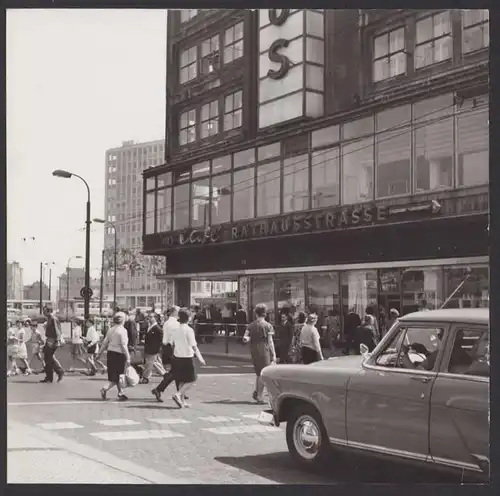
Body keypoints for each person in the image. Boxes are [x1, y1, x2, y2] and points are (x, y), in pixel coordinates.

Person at [170, 308, 206, 408]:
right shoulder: (189, 330)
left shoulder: (175, 329)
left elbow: (172, 343)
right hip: (187, 357)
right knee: (192, 379)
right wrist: (200, 358)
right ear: (189, 318)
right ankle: (178, 394)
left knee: (182, 380)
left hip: (177, 357)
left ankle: (182, 401)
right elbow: (194, 346)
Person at [243, 303, 277, 404]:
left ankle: (257, 393)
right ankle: (259, 396)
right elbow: (270, 341)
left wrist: (247, 339)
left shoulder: (251, 325)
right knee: (263, 373)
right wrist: (274, 354)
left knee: (259, 373)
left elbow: (246, 337)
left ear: (256, 314)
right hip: (264, 350)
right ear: (265, 314)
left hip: (254, 349)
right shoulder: (268, 326)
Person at [97, 312, 131, 401]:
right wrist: (128, 357)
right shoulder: (123, 331)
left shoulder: (110, 329)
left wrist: (99, 353)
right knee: (118, 375)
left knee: (114, 375)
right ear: (123, 320)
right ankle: (105, 389)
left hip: (110, 353)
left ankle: (121, 393)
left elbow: (105, 343)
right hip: (119, 354)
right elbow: (124, 345)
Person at [151, 305, 182, 402]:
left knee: (176, 371)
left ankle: (180, 392)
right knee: (176, 372)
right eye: (178, 311)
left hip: (167, 348)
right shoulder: (175, 323)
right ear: (174, 312)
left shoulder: (167, 322)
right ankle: (159, 389)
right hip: (173, 348)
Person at [40, 306, 64, 383]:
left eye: (45, 311)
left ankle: (57, 373)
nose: (43, 313)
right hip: (49, 340)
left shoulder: (53, 319)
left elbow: (57, 331)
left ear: (49, 311)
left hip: (52, 341)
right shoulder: (49, 319)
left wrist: (57, 340)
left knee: (48, 358)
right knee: (47, 358)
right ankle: (51, 375)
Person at [141, 313, 166, 384]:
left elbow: (160, 338)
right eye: (149, 317)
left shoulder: (157, 328)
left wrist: (158, 347)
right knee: (154, 363)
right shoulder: (150, 326)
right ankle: (165, 375)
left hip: (153, 349)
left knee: (150, 364)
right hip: (149, 348)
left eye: (151, 317)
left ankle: (145, 378)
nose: (149, 318)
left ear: (155, 318)